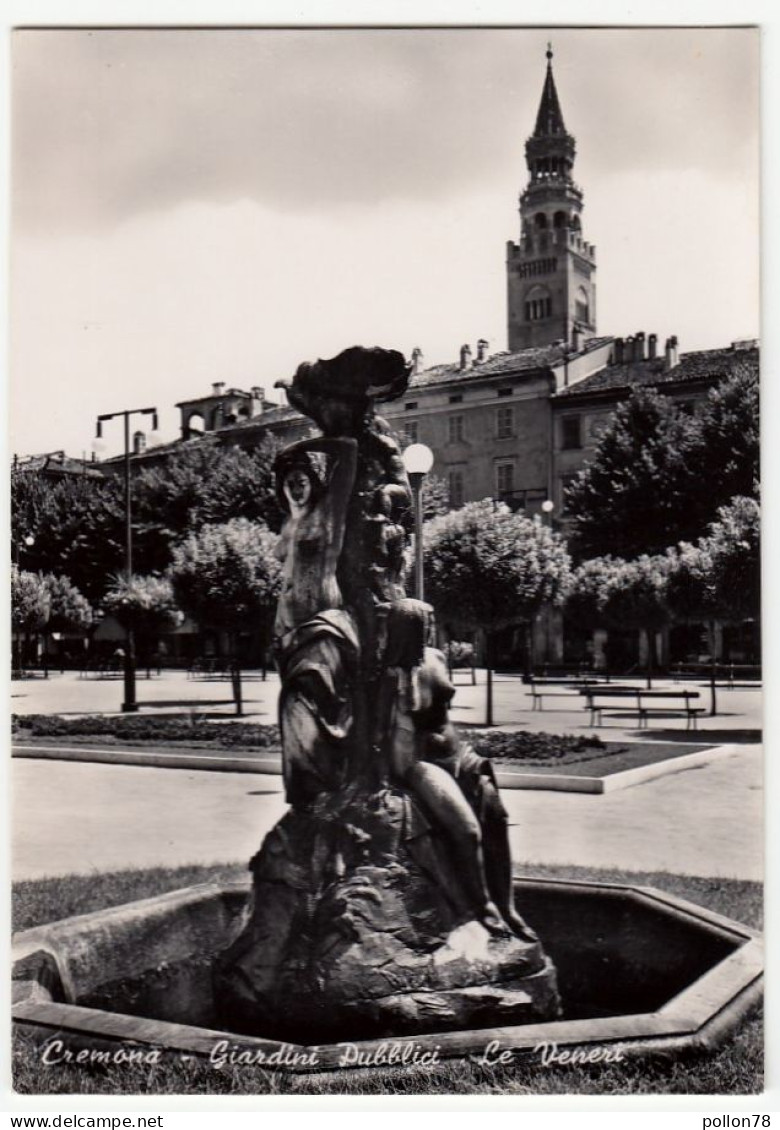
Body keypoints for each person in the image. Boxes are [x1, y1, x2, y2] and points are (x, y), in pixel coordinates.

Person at [377, 601, 537, 940]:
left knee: (495, 817)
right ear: (411, 625)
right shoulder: (393, 674)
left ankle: (507, 904)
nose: (434, 626)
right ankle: (481, 905)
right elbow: (391, 734)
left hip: (459, 753)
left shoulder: (436, 657)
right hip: (422, 762)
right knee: (467, 832)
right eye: (427, 621)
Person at [273, 436, 360, 808]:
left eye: (302, 480)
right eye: (289, 482)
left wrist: (304, 444)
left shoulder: (328, 514)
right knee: (292, 708)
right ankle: (306, 794)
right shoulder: (289, 526)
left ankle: (325, 788)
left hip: (323, 627)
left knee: (308, 706)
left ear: (315, 482)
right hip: (290, 632)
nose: (295, 488)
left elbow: (349, 451)